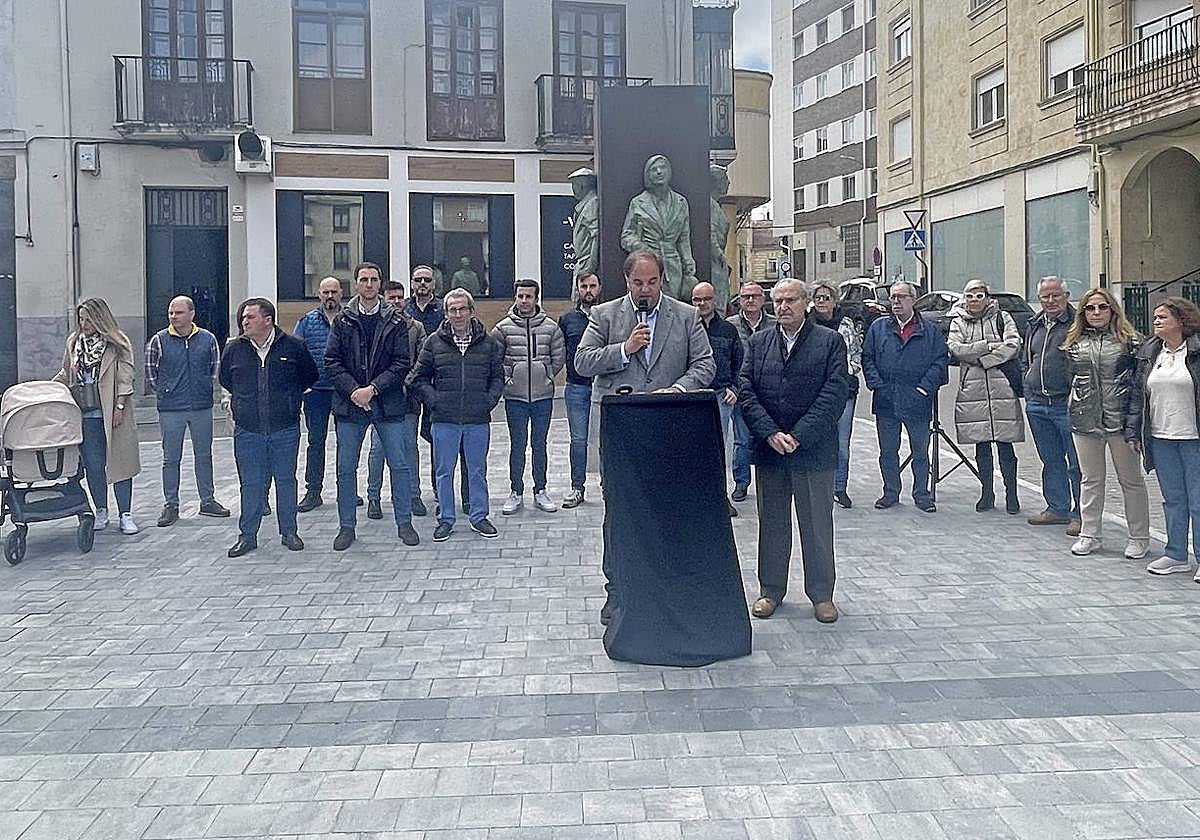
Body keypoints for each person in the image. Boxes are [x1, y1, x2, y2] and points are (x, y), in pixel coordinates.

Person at [575, 248, 715, 624]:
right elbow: (582, 361)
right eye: (638, 282)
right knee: (619, 515)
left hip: (668, 429)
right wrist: (625, 349)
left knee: (667, 511)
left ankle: (665, 587)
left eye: (652, 282)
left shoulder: (685, 316)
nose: (645, 289)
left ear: (662, 280)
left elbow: (705, 364)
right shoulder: (604, 315)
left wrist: (678, 389)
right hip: (621, 433)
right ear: (627, 281)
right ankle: (616, 591)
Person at [738, 279, 847, 622]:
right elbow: (745, 389)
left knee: (816, 526)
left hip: (812, 450)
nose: (783, 307)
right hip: (771, 450)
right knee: (772, 524)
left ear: (806, 303)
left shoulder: (829, 342)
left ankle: (822, 595)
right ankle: (771, 590)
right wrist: (770, 432)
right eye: (778, 301)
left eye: (790, 300)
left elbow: (834, 393)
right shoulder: (758, 342)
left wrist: (798, 435)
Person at [325, 262, 421, 551]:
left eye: (374, 279)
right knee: (345, 468)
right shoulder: (342, 320)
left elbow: (402, 362)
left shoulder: (396, 320)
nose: (369, 284)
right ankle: (346, 526)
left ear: (380, 283)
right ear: (355, 283)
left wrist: (373, 389)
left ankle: (404, 523)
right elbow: (332, 361)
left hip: (388, 402)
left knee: (399, 466)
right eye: (364, 279)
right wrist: (355, 391)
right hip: (350, 404)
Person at [218, 298, 318, 557]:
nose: (245, 322)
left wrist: (289, 401)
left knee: (286, 481)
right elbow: (226, 379)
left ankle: (289, 532)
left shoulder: (293, 346)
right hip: (248, 430)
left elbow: (309, 376)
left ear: (268, 320)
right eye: (243, 317)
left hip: (284, 429)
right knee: (250, 484)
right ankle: (247, 536)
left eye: (250, 317)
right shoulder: (234, 349)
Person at [409, 288, 504, 541]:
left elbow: (497, 377)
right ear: (446, 313)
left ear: (471, 311)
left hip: (477, 419)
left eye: (462, 309)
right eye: (453, 310)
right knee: (444, 472)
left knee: (477, 471)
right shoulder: (434, 342)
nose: (458, 314)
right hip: (444, 419)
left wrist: (488, 401)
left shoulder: (488, 343)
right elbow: (417, 378)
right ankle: (446, 518)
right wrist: (435, 401)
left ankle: (479, 516)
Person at [1062, 287, 1150, 558]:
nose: (1096, 312)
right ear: (1082, 312)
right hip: (1084, 420)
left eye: (1102, 307)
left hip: (1121, 421)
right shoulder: (1074, 342)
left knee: (1131, 480)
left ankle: (1139, 537)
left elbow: (1140, 383)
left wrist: (1135, 421)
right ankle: (1090, 534)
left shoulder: (1130, 340)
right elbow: (1069, 377)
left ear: (1112, 309)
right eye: (1090, 308)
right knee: (1090, 480)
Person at [54, 298, 141, 535]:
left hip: (111, 409)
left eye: (89, 319)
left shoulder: (117, 342)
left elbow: (126, 377)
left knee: (120, 463)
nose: (84, 324)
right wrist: (47, 389)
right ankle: (101, 509)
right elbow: (66, 372)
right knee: (93, 465)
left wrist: (119, 406)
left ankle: (125, 513)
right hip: (85, 413)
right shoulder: (74, 342)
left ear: (100, 319)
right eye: (81, 319)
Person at [1128, 297, 1200, 578]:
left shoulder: (1196, 350)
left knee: (1198, 500)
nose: (1156, 321)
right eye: (1155, 317)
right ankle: (1176, 554)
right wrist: (1133, 431)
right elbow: (1138, 395)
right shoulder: (1150, 351)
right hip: (1161, 437)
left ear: (1181, 321)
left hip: (1193, 438)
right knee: (1173, 499)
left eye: (1163, 317)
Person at [863, 280, 948, 513]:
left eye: (901, 297)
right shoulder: (879, 327)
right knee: (888, 451)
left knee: (920, 451)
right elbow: (868, 357)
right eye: (893, 297)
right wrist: (877, 385)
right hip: (886, 400)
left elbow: (940, 361)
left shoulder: (929, 330)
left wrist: (924, 389)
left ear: (913, 300)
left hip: (917, 400)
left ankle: (922, 494)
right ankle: (890, 492)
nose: (896, 302)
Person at [144, 295, 230, 526]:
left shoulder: (207, 339)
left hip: (201, 406)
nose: (173, 316)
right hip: (171, 408)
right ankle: (171, 504)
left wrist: (204, 387)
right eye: (171, 313)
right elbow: (151, 374)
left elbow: (215, 368)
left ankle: (207, 500)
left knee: (204, 455)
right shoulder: (159, 340)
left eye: (179, 312)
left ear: (192, 314)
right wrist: (167, 391)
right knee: (171, 458)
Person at [946, 279, 1026, 514]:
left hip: (1002, 389)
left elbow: (1013, 345)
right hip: (973, 390)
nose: (974, 300)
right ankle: (987, 493)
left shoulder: (1003, 318)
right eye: (970, 296)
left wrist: (984, 359)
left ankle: (1012, 494)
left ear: (988, 298)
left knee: (1005, 445)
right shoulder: (958, 321)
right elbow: (956, 349)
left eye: (979, 295)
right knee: (981, 447)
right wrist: (988, 346)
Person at [493, 278, 565, 516]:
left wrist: (547, 377)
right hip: (515, 398)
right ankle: (515, 491)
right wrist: (509, 380)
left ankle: (540, 489)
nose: (524, 301)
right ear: (515, 298)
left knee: (539, 444)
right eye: (520, 296)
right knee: (517, 444)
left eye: (528, 296)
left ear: (536, 298)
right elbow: (496, 360)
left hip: (543, 397)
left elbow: (558, 357)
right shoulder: (502, 329)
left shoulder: (551, 328)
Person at [406, 264, 468, 513]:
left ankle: (440, 490)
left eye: (427, 280)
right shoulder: (405, 309)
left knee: (437, 439)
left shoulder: (444, 308)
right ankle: (413, 494)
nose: (422, 284)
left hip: (440, 384)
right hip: (412, 383)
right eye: (418, 280)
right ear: (412, 283)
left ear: (434, 283)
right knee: (409, 442)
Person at [1024, 276, 1082, 535]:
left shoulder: (1077, 324)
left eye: (1056, 295)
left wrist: (1075, 396)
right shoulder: (1035, 323)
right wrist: (1028, 389)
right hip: (1038, 404)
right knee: (1051, 460)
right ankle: (1057, 508)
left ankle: (1080, 514)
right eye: (1045, 296)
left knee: (1076, 464)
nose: (1050, 301)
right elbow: (1027, 359)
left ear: (1066, 296)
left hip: (1066, 405)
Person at [366, 280, 427, 520]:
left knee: (409, 447)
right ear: (384, 298)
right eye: (391, 297)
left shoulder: (416, 327)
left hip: (408, 396)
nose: (396, 301)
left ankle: (413, 495)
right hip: (380, 396)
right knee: (377, 449)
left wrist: (406, 381)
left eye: (400, 297)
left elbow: (422, 360)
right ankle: (373, 497)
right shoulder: (375, 325)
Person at [691, 280, 744, 516]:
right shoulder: (685, 328)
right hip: (693, 398)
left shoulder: (728, 330)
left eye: (706, 299)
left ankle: (720, 498)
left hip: (721, 396)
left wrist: (735, 388)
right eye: (697, 299)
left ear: (714, 300)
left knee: (718, 450)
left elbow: (740, 363)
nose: (701, 303)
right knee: (693, 450)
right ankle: (697, 497)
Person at [292, 276, 343, 512]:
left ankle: (347, 490)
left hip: (344, 390)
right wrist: (304, 384)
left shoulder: (350, 319)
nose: (329, 296)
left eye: (333, 291)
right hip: (316, 392)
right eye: (325, 292)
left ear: (341, 293)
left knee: (347, 443)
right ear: (319, 294)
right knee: (315, 441)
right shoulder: (306, 322)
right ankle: (313, 491)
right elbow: (296, 353)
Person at [811, 281, 862, 509]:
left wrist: (847, 372)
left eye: (826, 297)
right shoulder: (807, 324)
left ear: (835, 301)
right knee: (816, 440)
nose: (822, 302)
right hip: (814, 393)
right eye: (818, 298)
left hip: (844, 391)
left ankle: (839, 487)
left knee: (842, 444)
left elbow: (855, 353)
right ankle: (817, 485)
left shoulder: (846, 323)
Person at [620, 155, 698, 300]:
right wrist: (644, 249)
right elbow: (626, 236)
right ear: (647, 175)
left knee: (672, 306)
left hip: (673, 264)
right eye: (654, 169)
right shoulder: (638, 203)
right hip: (646, 265)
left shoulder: (681, 202)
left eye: (663, 167)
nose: (659, 172)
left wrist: (688, 261)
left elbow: (683, 237)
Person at [729, 281, 777, 503]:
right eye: (746, 296)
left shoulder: (775, 324)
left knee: (769, 435)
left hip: (769, 391)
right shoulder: (731, 326)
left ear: (763, 299)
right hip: (741, 390)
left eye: (755, 296)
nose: (750, 300)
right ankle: (741, 482)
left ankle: (771, 480)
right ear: (739, 300)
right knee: (742, 439)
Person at [558, 272, 601, 509]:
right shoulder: (567, 320)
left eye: (592, 286)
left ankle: (609, 487)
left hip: (604, 387)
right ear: (577, 289)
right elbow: (560, 350)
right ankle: (577, 488)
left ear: (599, 288)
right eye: (584, 286)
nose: (588, 290)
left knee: (606, 439)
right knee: (578, 440)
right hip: (577, 387)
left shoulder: (608, 316)